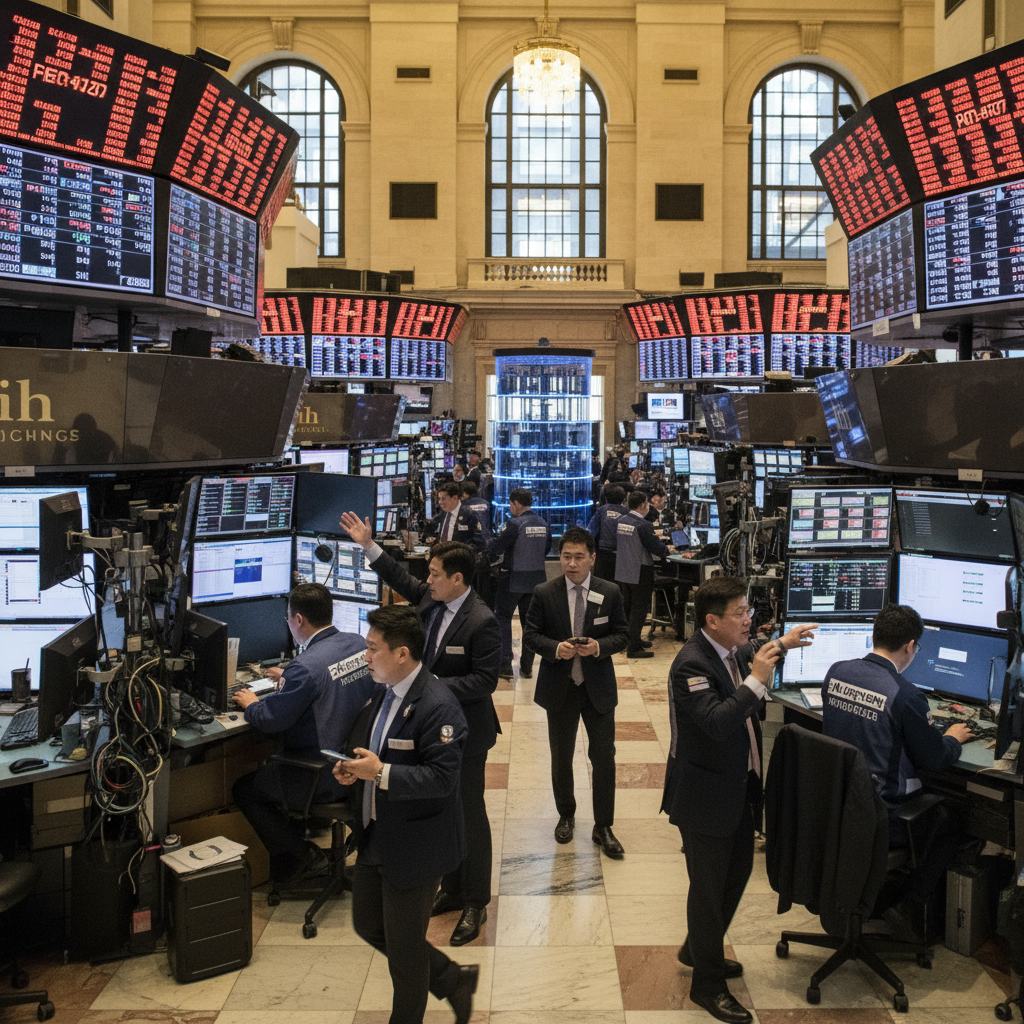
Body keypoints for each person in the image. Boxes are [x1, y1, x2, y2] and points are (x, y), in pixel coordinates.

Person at [339, 511, 501, 947]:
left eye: (434, 573)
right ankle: (451, 889)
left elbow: (486, 680)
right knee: (441, 810)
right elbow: (403, 581)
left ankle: (476, 901)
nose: (426, 579)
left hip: (466, 731)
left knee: (470, 814)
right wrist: (369, 546)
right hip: (427, 722)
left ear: (458, 579)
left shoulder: (482, 620)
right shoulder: (431, 600)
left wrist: (427, 686)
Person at [662, 576, 816, 1024]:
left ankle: (698, 947)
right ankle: (707, 985)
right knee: (709, 891)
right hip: (704, 796)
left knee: (737, 875)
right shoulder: (691, 666)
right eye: (740, 614)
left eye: (748, 611)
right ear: (712, 620)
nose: (749, 620)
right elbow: (715, 723)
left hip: (738, 787)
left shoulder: (729, 651)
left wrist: (782, 643)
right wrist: (756, 682)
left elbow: (752, 654)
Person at [332, 605, 477, 1024]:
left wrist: (381, 773)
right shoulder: (383, 690)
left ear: (401, 653)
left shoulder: (439, 707)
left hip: (417, 844)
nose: (365, 657)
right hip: (377, 833)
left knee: (405, 951)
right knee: (368, 925)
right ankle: (451, 978)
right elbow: (373, 747)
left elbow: (442, 779)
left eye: (372, 649)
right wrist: (353, 768)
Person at [821, 603, 973, 919]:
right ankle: (908, 902)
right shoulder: (905, 695)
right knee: (958, 818)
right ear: (909, 646)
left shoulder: (836, 672)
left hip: (837, 806)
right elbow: (935, 759)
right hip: (882, 818)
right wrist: (953, 738)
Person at [231, 583, 376, 883]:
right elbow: (329, 683)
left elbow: (271, 720)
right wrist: (291, 678)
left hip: (323, 776)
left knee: (244, 789)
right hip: (358, 767)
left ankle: (302, 854)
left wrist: (251, 704)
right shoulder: (358, 643)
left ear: (298, 620)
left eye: (288, 618)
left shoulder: (305, 667)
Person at [523, 526, 630, 857]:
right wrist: (556, 649)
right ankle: (566, 815)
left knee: (603, 757)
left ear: (592, 559)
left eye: (579, 557)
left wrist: (598, 646)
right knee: (561, 757)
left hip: (597, 688)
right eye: (566, 557)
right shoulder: (544, 592)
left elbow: (623, 634)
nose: (571, 564)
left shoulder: (609, 592)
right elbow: (531, 635)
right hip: (561, 687)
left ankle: (603, 826)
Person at [487, 487, 552, 678]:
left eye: (510, 504)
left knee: (503, 617)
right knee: (530, 624)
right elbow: (546, 550)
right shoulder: (543, 523)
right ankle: (527, 667)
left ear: (515, 504)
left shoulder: (514, 524)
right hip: (537, 580)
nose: (510, 507)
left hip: (512, 579)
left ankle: (505, 664)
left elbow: (498, 547)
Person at [614, 489, 670, 658]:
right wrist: (668, 550)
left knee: (628, 608)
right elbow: (655, 547)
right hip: (640, 571)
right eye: (647, 504)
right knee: (639, 610)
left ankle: (632, 640)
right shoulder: (642, 525)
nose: (648, 507)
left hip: (623, 571)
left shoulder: (621, 520)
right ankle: (634, 649)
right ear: (641, 506)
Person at [586, 483, 628, 582]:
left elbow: (591, 532)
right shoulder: (627, 512)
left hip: (603, 553)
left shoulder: (601, 511)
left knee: (601, 584)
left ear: (606, 498)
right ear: (623, 499)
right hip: (622, 554)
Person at [432, 481, 484, 552]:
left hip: (459, 558)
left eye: (443, 499)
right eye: (439, 499)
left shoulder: (469, 514)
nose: (440, 502)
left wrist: (461, 553)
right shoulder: (443, 514)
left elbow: (479, 542)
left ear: (454, 498)